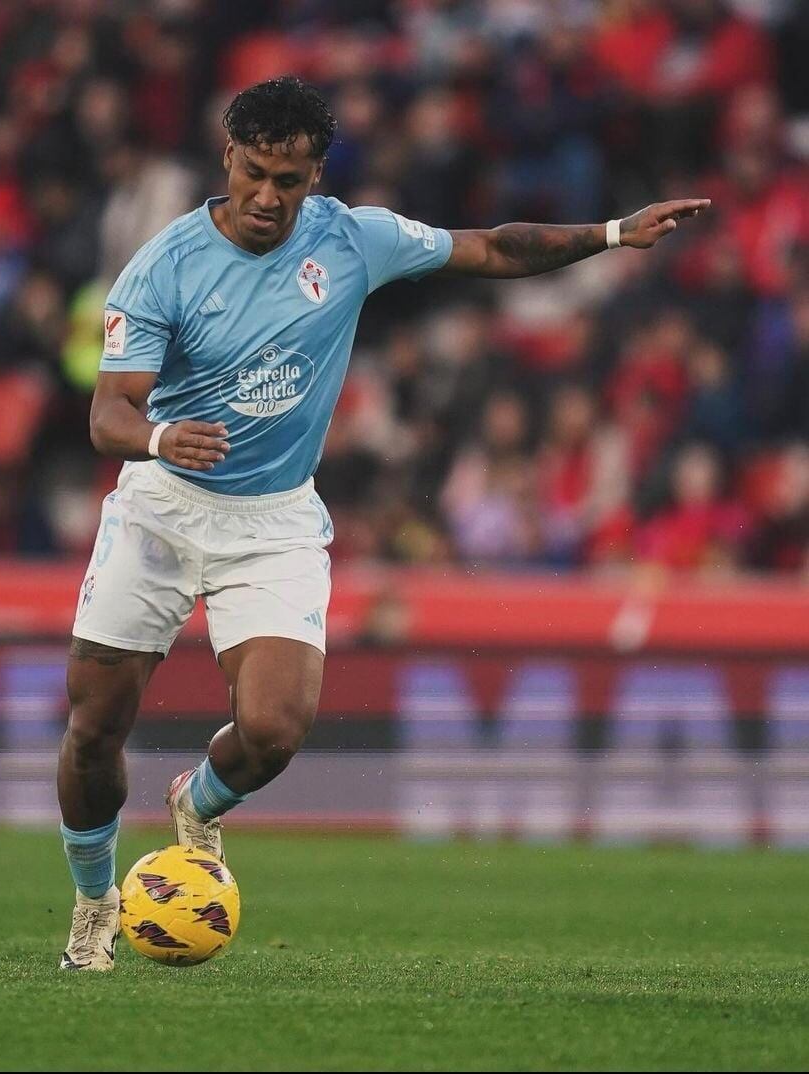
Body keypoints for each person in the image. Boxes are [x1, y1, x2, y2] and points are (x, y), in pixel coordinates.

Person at [56, 76, 709, 971]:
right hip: (162, 509)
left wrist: (607, 234)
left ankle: (197, 805)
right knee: (94, 726)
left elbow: (489, 249)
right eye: (252, 174)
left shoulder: (352, 239)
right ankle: (96, 905)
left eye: (288, 180)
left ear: (316, 175)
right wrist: (165, 433)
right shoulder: (163, 264)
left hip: (275, 517)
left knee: (276, 731)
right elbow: (109, 417)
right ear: (227, 158)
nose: (266, 198)